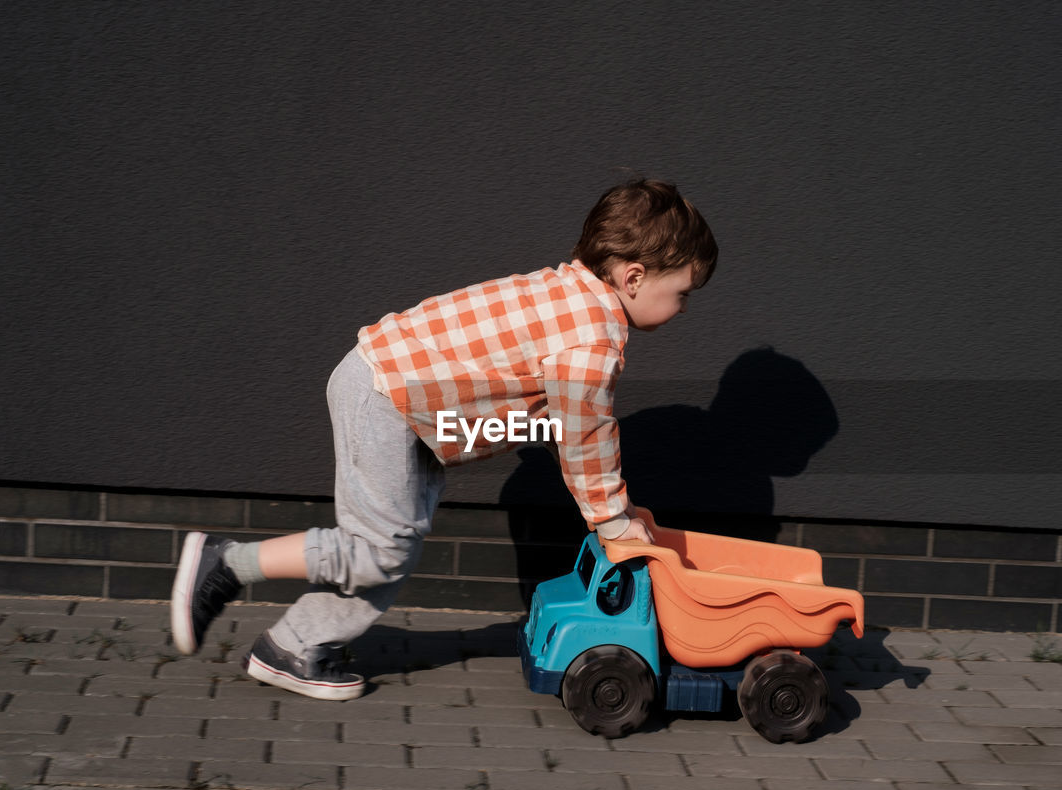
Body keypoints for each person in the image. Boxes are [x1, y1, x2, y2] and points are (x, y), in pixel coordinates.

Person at [170, 179, 717, 700]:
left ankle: (290, 648)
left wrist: (616, 509)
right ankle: (227, 562)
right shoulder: (593, 336)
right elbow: (585, 433)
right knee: (378, 550)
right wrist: (612, 518)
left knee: (391, 551)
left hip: (410, 402)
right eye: (682, 294)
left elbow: (556, 423)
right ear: (635, 277)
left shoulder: (569, 294)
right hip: (386, 395)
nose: (684, 309)